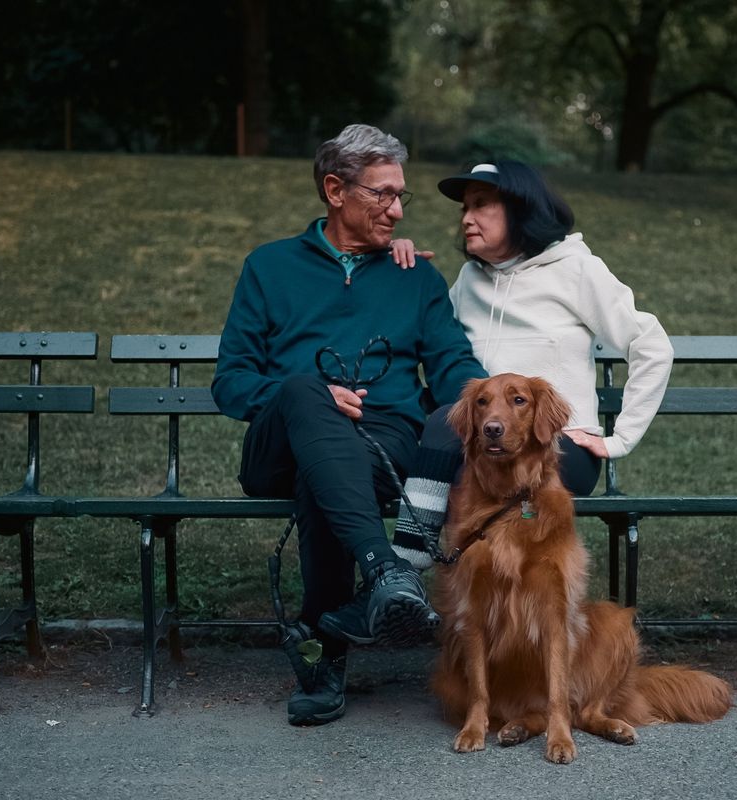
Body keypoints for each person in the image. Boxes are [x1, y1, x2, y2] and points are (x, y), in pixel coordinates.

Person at [211, 124, 486, 726]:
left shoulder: (414, 276)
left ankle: (322, 652)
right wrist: (309, 397)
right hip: (278, 440)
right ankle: (385, 571)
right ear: (335, 190)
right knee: (306, 391)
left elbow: (454, 372)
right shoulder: (269, 267)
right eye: (381, 194)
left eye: (399, 197)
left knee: (325, 475)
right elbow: (231, 382)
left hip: (381, 445)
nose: (395, 209)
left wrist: (500, 402)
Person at [388, 160, 674, 569]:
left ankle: (405, 572)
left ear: (520, 209)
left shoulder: (575, 270)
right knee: (448, 432)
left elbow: (651, 344)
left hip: (555, 447)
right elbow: (433, 342)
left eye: (482, 205)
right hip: (482, 444)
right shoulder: (469, 281)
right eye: (464, 208)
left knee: (451, 442)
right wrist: (400, 268)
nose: (466, 219)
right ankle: (423, 586)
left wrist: (619, 439)